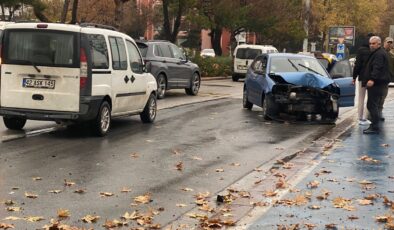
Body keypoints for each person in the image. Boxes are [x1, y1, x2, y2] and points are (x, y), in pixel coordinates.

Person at [363, 36, 391, 134]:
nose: (371, 45)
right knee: (373, 105)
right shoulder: (380, 52)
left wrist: (372, 79)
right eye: (370, 43)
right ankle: (375, 124)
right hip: (380, 83)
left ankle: (375, 127)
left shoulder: (379, 54)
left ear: (379, 44)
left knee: (372, 105)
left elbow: (377, 67)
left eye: (374, 43)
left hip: (377, 84)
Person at [352, 33, 374, 126]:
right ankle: (366, 117)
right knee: (371, 98)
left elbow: (357, 65)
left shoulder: (361, 50)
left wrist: (354, 77)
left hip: (362, 77)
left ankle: (360, 118)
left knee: (361, 98)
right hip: (373, 78)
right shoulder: (375, 51)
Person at [379, 37, 394, 121]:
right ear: (384, 42)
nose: (389, 44)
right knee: (377, 97)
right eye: (388, 42)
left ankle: (379, 113)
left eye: (391, 42)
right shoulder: (380, 52)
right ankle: (375, 115)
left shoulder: (391, 54)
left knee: (383, 96)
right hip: (379, 78)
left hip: (387, 79)